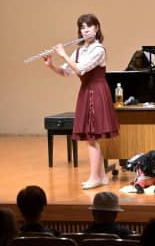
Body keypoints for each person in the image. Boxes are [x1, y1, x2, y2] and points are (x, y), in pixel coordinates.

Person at [43, 14, 119, 189]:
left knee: (91, 137)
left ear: (97, 28)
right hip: (86, 91)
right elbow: (66, 72)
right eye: (82, 27)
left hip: (96, 91)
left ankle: (95, 178)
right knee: (92, 137)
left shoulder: (99, 49)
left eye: (89, 27)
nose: (85, 30)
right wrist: (51, 65)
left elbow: (81, 70)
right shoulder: (79, 50)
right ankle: (101, 177)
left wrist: (63, 54)